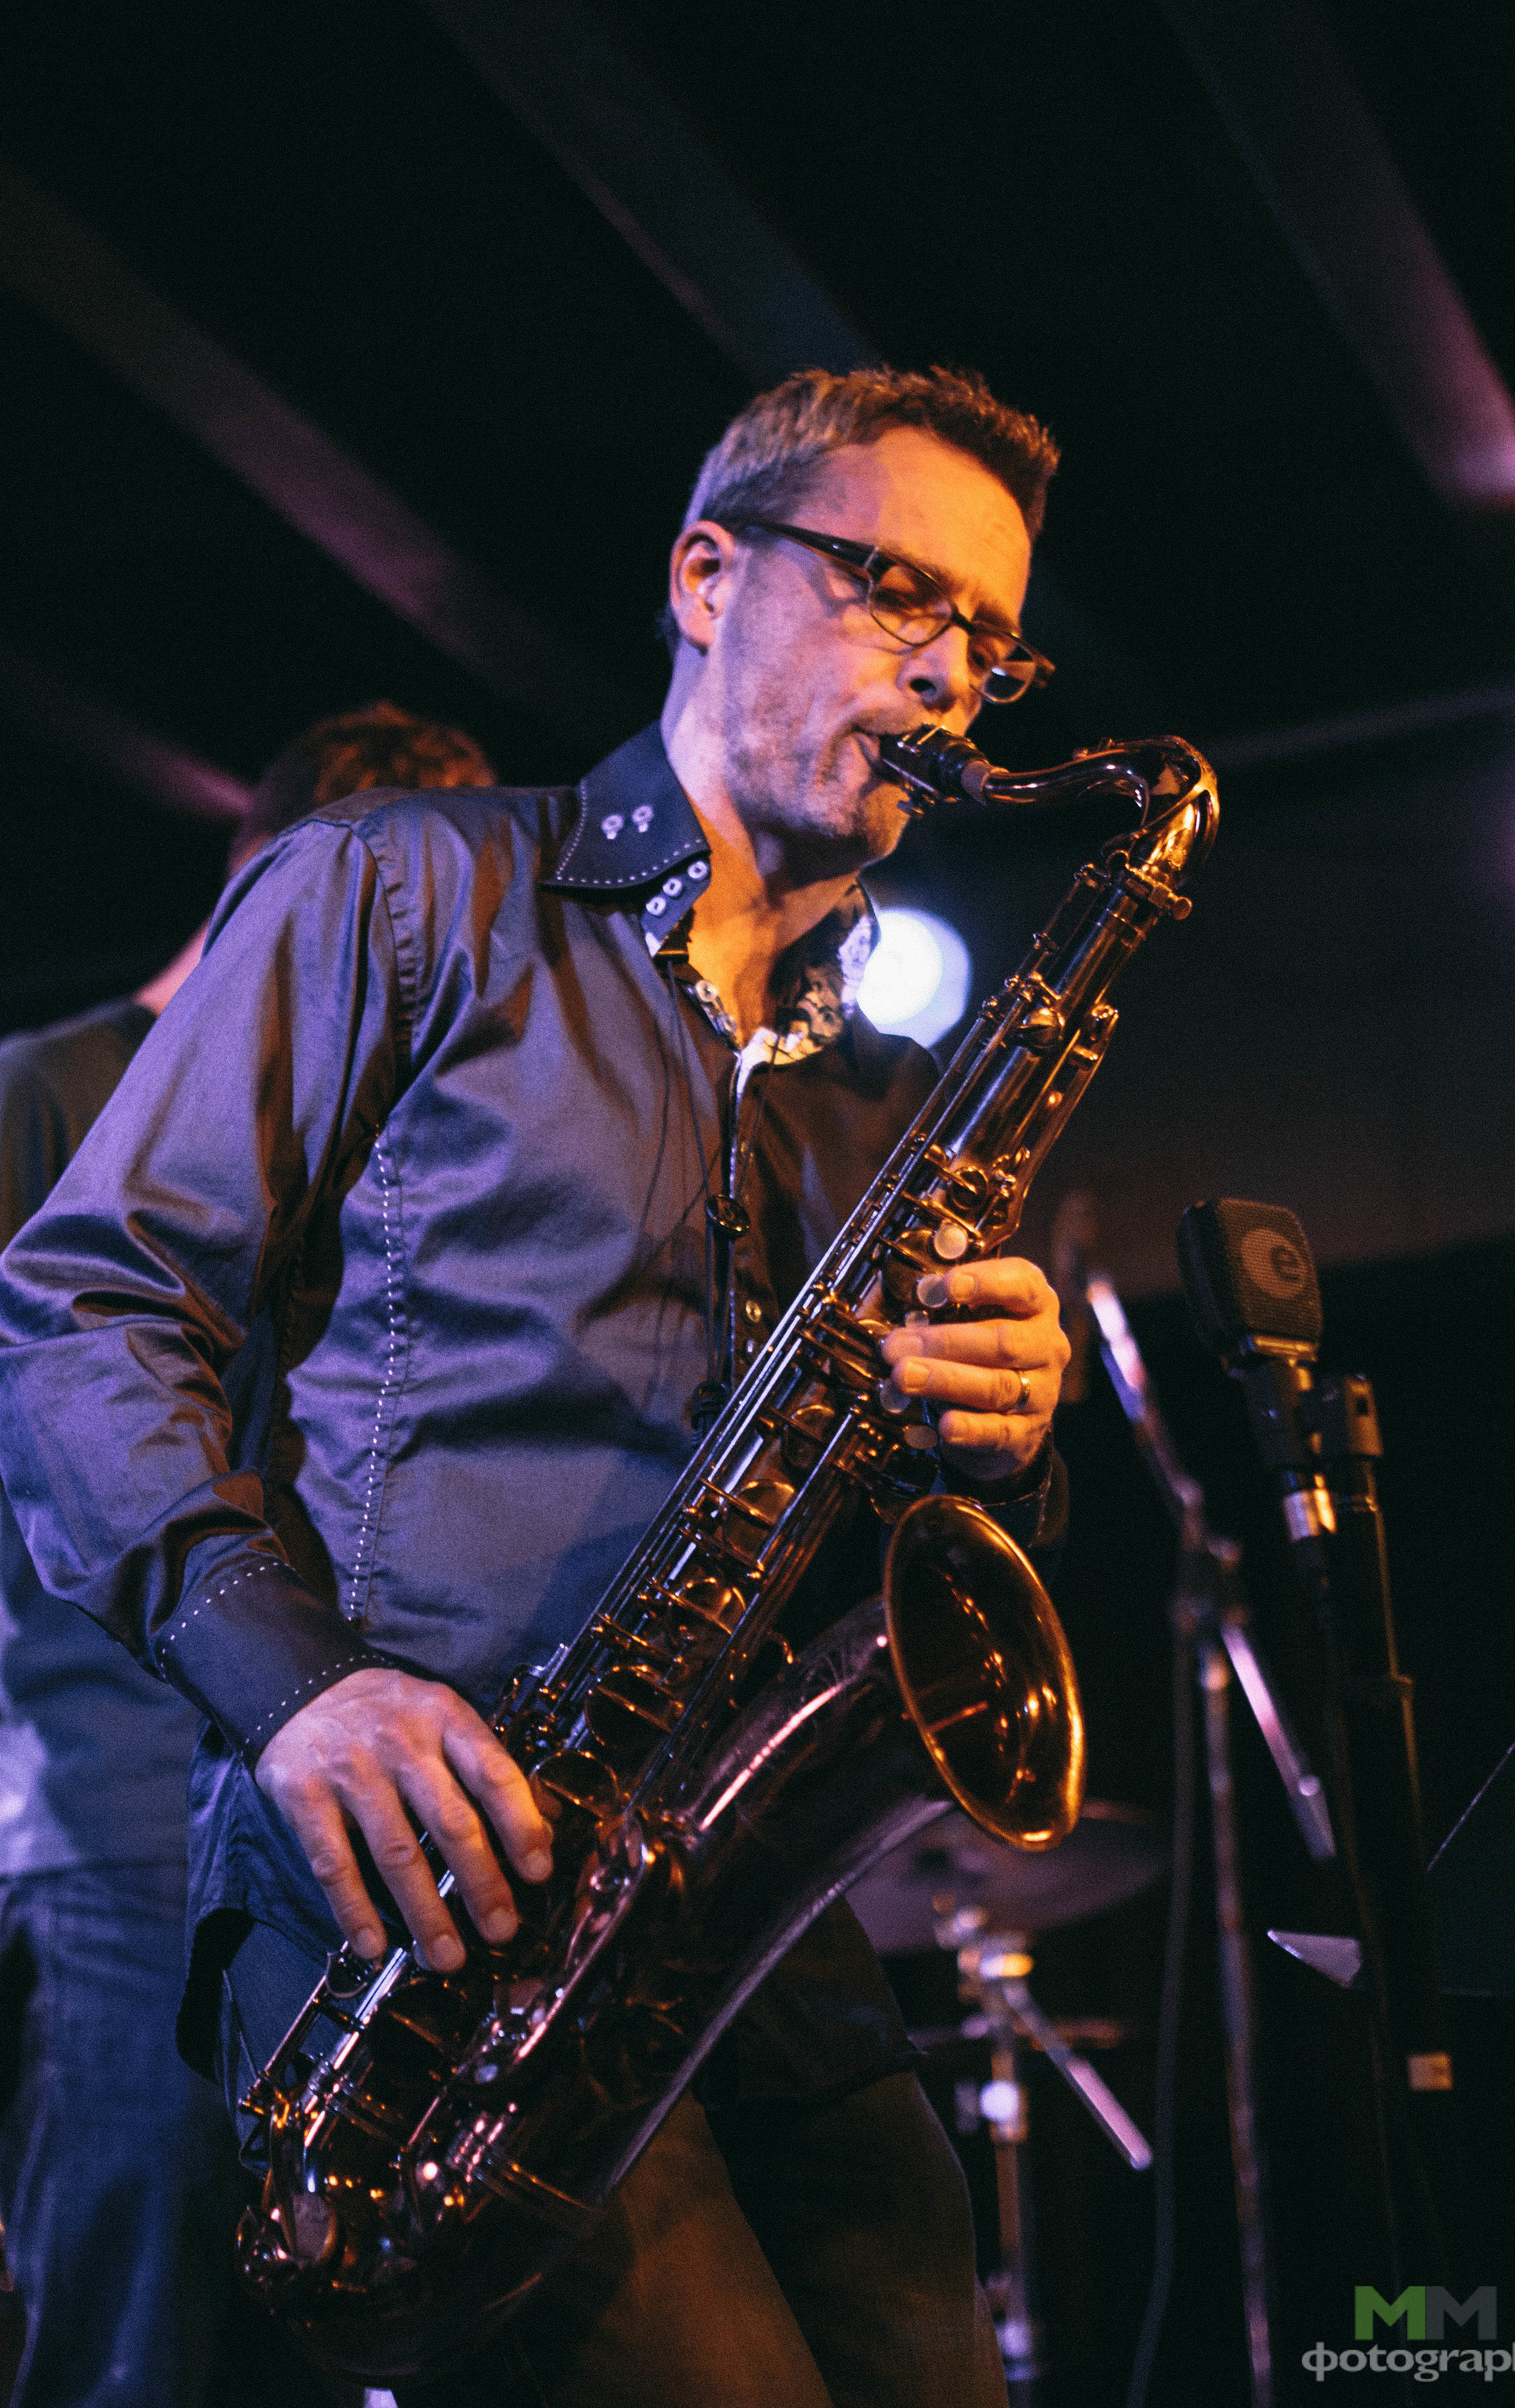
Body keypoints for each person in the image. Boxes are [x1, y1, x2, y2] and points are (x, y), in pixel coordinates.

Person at [0, 367, 1075, 2407]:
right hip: (432, 1909)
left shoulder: (885, 1107)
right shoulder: (404, 890)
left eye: (989, 645)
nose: (946, 675)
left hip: (747, 1929)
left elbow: (858, 1556)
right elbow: (81, 1307)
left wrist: (992, 1447)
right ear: (703, 575)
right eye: (889, 593)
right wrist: (296, 1685)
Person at [0, 702, 496, 2408]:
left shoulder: (351, 1132)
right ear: (287, 884)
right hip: (125, 1801)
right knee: (140, 2323)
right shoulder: (46, 1092)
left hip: (326, 1793)